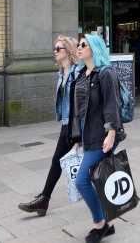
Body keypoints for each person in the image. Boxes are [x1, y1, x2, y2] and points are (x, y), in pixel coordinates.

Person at [18, 36, 80, 216]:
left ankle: (109, 200)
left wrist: (79, 135)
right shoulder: (63, 73)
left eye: (58, 48)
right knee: (57, 162)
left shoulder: (78, 73)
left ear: (68, 51)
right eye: (55, 48)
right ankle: (43, 200)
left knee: (93, 164)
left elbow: (82, 104)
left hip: (76, 127)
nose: (55, 51)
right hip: (67, 124)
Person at [75, 34, 126, 242]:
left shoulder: (106, 73)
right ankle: (108, 223)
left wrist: (111, 133)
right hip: (87, 134)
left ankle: (101, 224)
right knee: (96, 179)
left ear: (94, 48)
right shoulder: (82, 73)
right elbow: (81, 109)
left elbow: (111, 105)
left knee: (82, 181)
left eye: (83, 44)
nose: (78, 47)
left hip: (102, 134)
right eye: (78, 44)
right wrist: (78, 135)